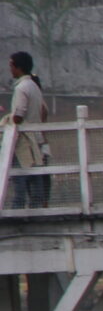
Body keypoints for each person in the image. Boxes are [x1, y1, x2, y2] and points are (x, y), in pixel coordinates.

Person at [8, 50, 50, 210]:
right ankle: (37, 207)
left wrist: (9, 120)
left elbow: (18, 115)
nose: (10, 69)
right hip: (37, 137)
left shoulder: (21, 88)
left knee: (19, 176)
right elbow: (44, 110)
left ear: (17, 67)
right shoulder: (34, 86)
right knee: (36, 176)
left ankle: (17, 208)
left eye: (11, 65)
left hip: (23, 140)